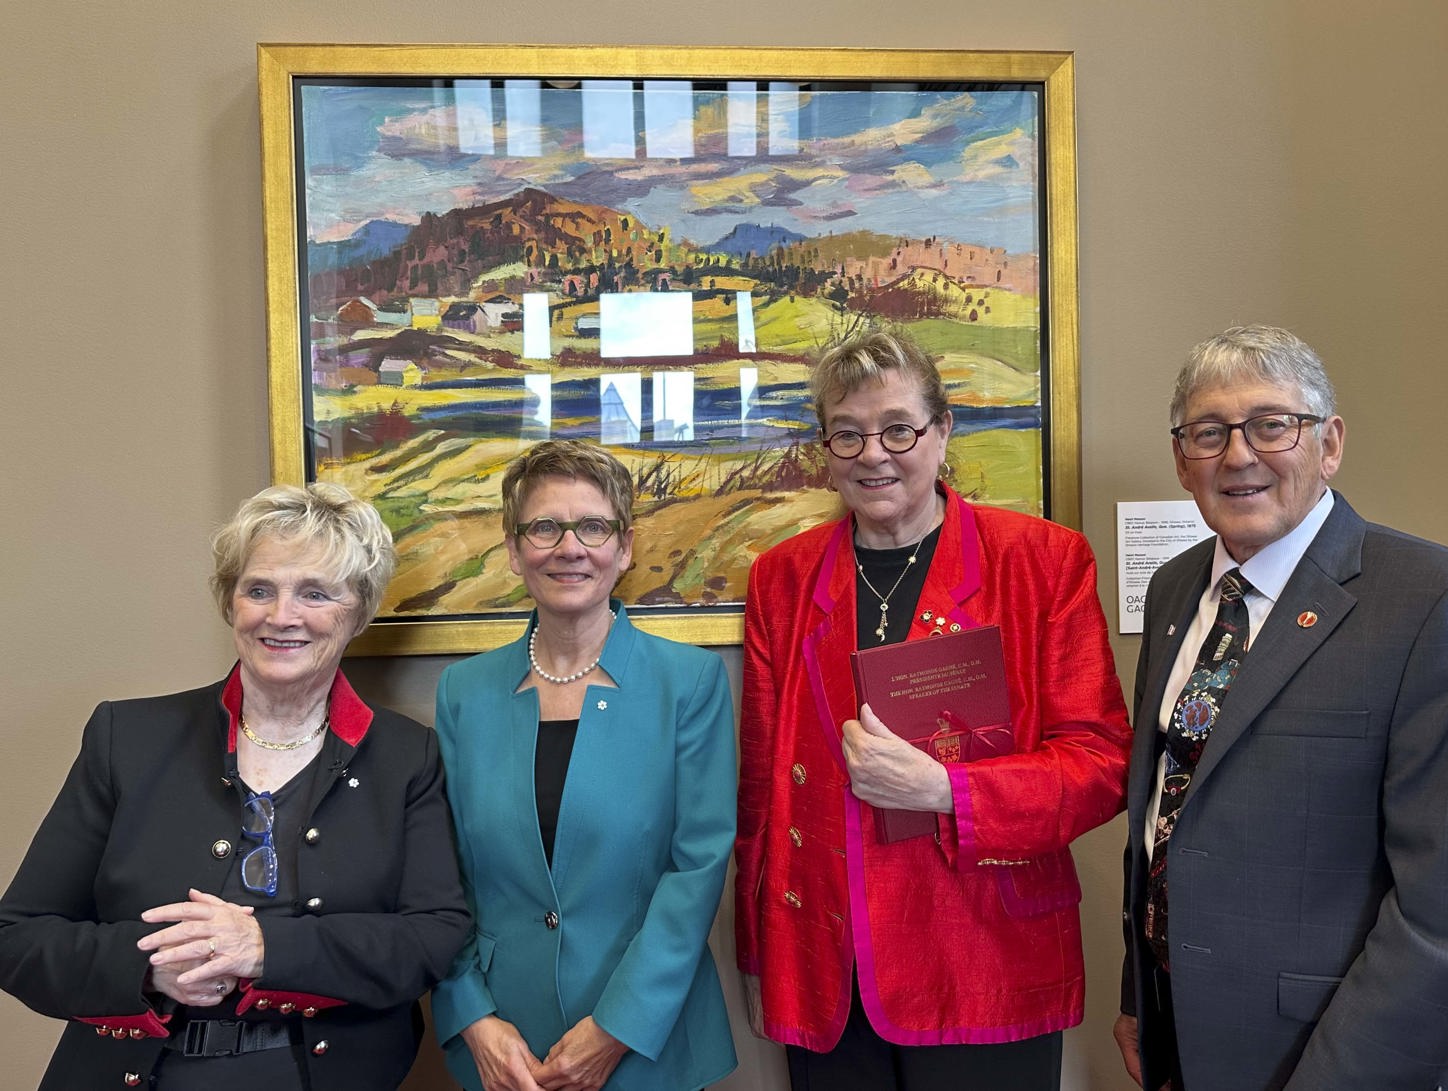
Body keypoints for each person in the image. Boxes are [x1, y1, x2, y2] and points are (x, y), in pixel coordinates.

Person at [735, 327, 1132, 1090]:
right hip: (830, 967)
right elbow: (762, 788)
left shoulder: (1043, 561)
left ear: (942, 430)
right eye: (846, 434)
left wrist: (948, 791)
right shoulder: (781, 579)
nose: (872, 454)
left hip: (983, 951)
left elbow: (1100, 761)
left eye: (897, 428)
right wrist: (763, 955)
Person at [1115, 324, 1448, 1090]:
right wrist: (1143, 999)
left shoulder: (1440, 601)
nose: (1238, 454)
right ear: (1181, 460)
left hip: (1337, 1056)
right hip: (1183, 1036)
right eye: (1208, 432)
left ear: (1328, 444)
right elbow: (1166, 809)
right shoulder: (1174, 590)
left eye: (1271, 424)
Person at [0, 483, 470, 1090]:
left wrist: (265, 946)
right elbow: (19, 933)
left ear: (357, 612)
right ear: (230, 603)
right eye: (259, 590)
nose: (282, 616)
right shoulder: (128, 736)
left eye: (315, 594)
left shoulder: (407, 756)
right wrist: (147, 967)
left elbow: (434, 935)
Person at [431, 439, 738, 1091]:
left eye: (593, 525)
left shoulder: (688, 683)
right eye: (544, 526)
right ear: (515, 550)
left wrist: (616, 1029)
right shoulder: (464, 691)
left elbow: (697, 870)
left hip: (647, 1045)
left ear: (624, 547)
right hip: (505, 1054)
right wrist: (474, 1017)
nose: (569, 547)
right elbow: (440, 873)